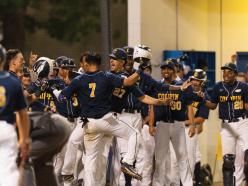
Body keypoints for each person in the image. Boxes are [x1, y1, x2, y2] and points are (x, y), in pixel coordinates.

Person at [149, 59, 195, 186]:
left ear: (174, 70)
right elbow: (151, 106)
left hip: (177, 125)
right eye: (163, 68)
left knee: (182, 157)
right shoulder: (157, 86)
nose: (165, 71)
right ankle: (158, 184)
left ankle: (187, 184)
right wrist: (151, 125)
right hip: (161, 124)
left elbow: (190, 106)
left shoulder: (183, 86)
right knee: (159, 158)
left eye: (168, 68)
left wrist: (192, 124)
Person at [202, 62, 248, 186]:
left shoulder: (244, 87)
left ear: (235, 74)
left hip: (242, 123)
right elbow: (213, 105)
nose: (226, 74)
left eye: (229, 72)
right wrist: (202, 99)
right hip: (226, 126)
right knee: (228, 160)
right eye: (224, 72)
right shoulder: (218, 87)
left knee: (243, 157)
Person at [0, 44, 30, 186]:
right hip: (7, 128)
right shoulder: (12, 81)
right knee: (8, 171)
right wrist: (24, 139)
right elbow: (22, 114)